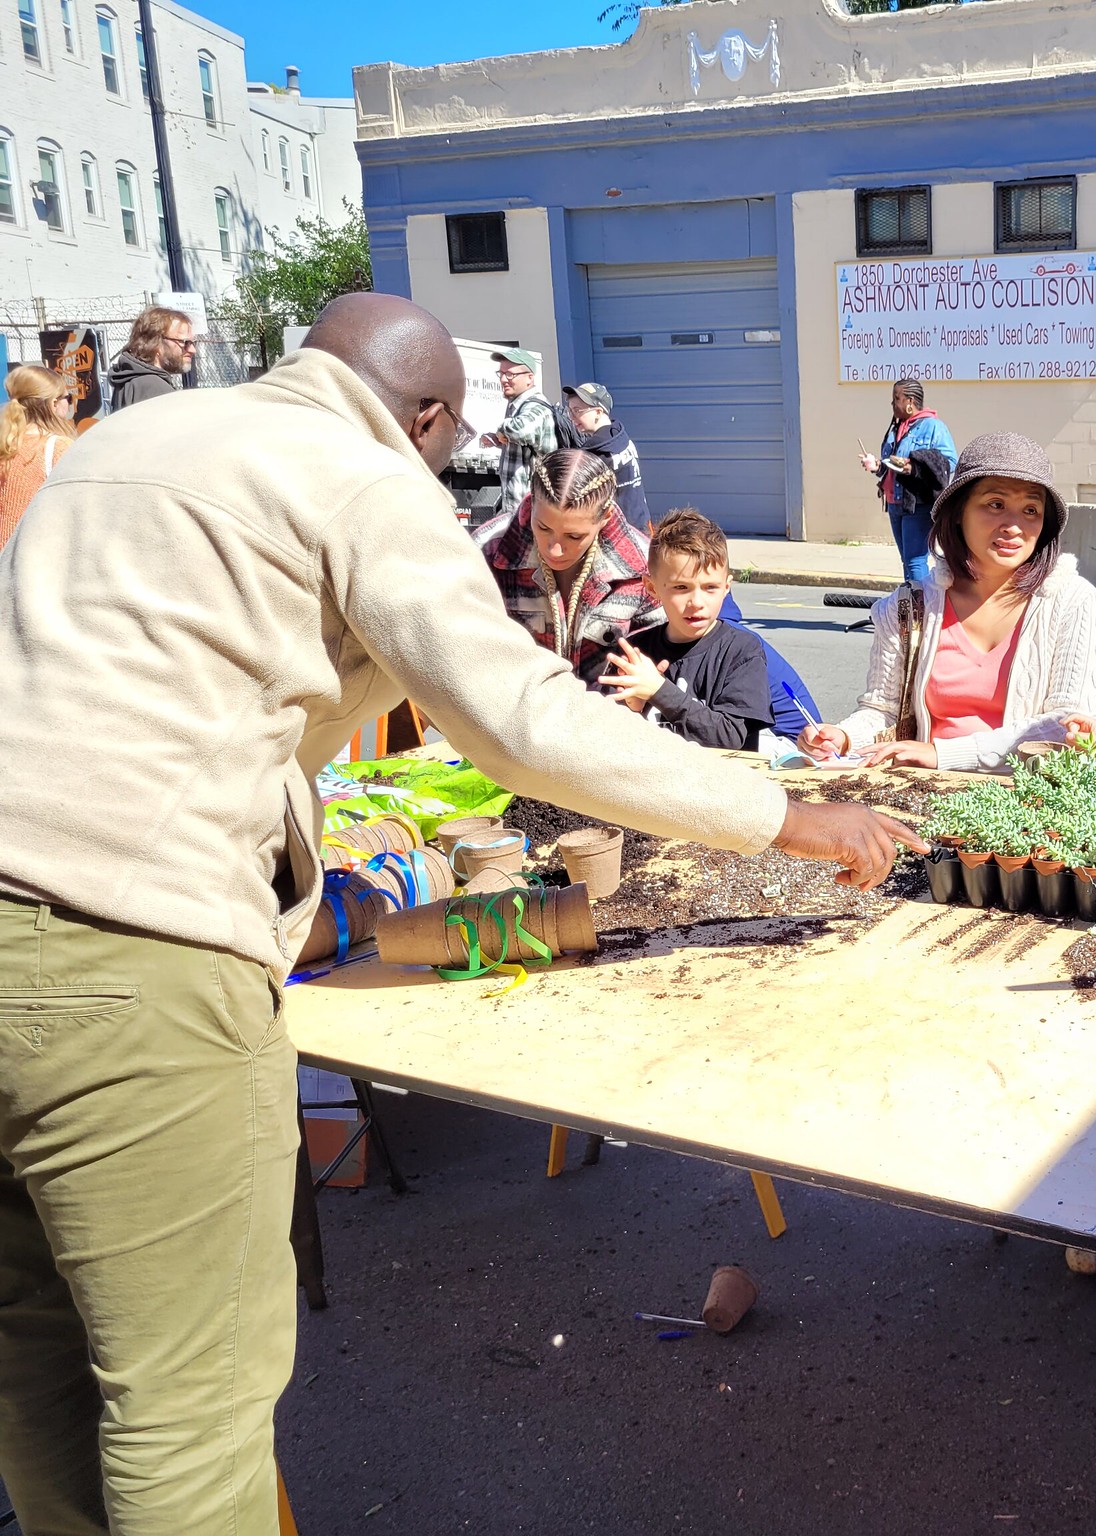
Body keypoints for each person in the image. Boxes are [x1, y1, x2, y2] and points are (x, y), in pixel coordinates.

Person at [0, 292, 917, 1536]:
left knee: (38, 1360)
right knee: (184, 1408)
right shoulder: (364, 480)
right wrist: (785, 818)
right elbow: (522, 722)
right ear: (425, 417)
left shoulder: (118, 447)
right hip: (128, 953)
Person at [801, 432, 1096, 772]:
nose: (1014, 526)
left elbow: (1069, 727)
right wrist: (844, 736)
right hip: (922, 793)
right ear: (959, 511)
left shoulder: (1073, 602)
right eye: (995, 504)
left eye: (1031, 509)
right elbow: (882, 710)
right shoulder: (908, 608)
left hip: (1029, 803)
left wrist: (943, 754)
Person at [474, 447, 655, 687]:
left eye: (574, 536)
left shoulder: (643, 566)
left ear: (606, 517)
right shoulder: (486, 551)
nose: (554, 550)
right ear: (532, 504)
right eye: (543, 528)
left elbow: (675, 651)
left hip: (606, 716)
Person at [601, 509, 773, 749]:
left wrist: (659, 691)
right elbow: (606, 742)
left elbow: (732, 738)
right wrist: (633, 709)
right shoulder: (635, 654)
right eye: (681, 587)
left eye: (710, 587)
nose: (696, 602)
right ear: (652, 588)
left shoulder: (742, 651)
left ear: (726, 587)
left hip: (720, 782)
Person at [860, 378, 957, 583]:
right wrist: (877, 466)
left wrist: (913, 467)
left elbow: (949, 463)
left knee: (915, 560)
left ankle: (921, 608)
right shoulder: (897, 428)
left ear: (910, 402)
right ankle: (912, 605)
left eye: (897, 398)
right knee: (907, 559)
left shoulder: (933, 427)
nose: (893, 404)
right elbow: (890, 466)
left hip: (918, 504)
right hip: (896, 503)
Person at [0, 364, 78, 552]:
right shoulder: (59, 448)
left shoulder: (6, 444)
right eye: (68, 397)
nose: (70, 403)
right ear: (53, 404)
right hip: (34, 560)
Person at [561, 381, 650, 532]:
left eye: (577, 410)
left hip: (620, 532)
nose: (572, 417)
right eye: (570, 411)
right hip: (641, 521)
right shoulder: (620, 436)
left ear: (598, 412)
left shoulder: (597, 454)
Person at [480, 346, 556, 513]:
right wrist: (498, 439)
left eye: (511, 374)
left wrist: (501, 429)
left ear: (529, 378)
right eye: (501, 373)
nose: (504, 379)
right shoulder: (517, 405)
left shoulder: (536, 405)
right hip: (518, 511)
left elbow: (520, 430)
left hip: (532, 513)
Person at [106, 305, 194, 412]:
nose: (192, 350)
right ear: (156, 344)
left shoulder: (129, 378)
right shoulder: (154, 388)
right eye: (185, 343)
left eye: (193, 343)